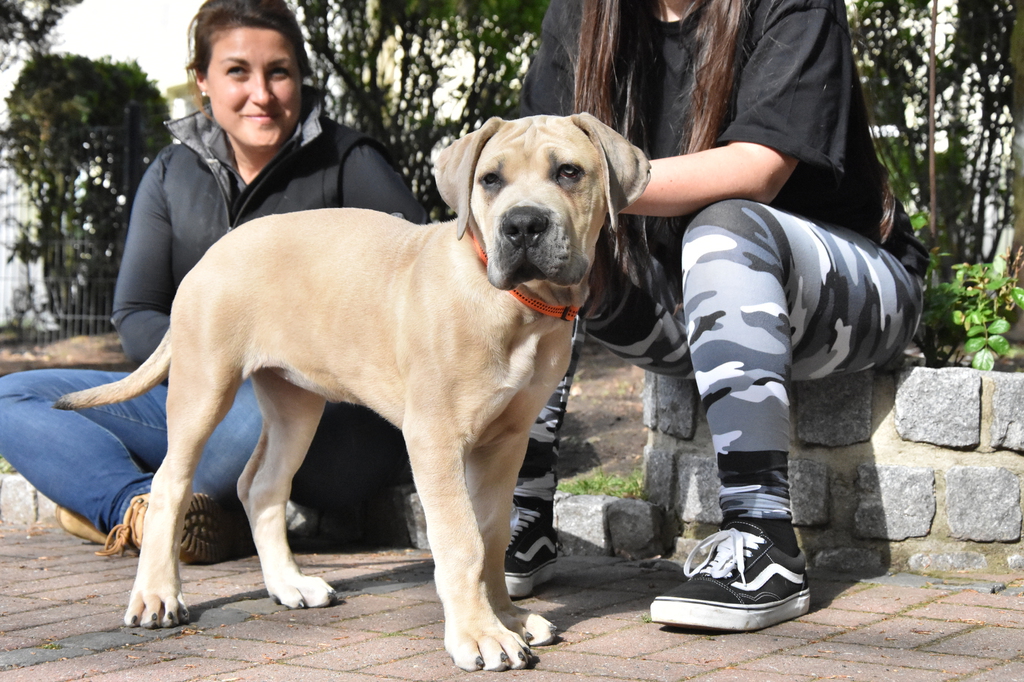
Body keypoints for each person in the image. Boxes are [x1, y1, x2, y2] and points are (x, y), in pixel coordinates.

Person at [503, 0, 928, 630]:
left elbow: (756, 170)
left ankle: (763, 540)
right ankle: (518, 518)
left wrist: (586, 184)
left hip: (841, 298)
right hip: (680, 302)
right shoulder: (583, 13)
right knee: (537, 242)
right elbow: (529, 166)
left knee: (721, 227)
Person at [0, 0, 426, 563]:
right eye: (237, 72)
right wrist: (216, 359)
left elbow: (422, 287)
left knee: (262, 408)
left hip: (328, 410)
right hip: (198, 389)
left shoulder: (350, 161)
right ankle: (140, 508)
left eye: (279, 72)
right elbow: (135, 313)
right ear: (202, 79)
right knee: (14, 396)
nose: (262, 93)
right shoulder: (171, 172)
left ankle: (123, 497)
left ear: (300, 76)